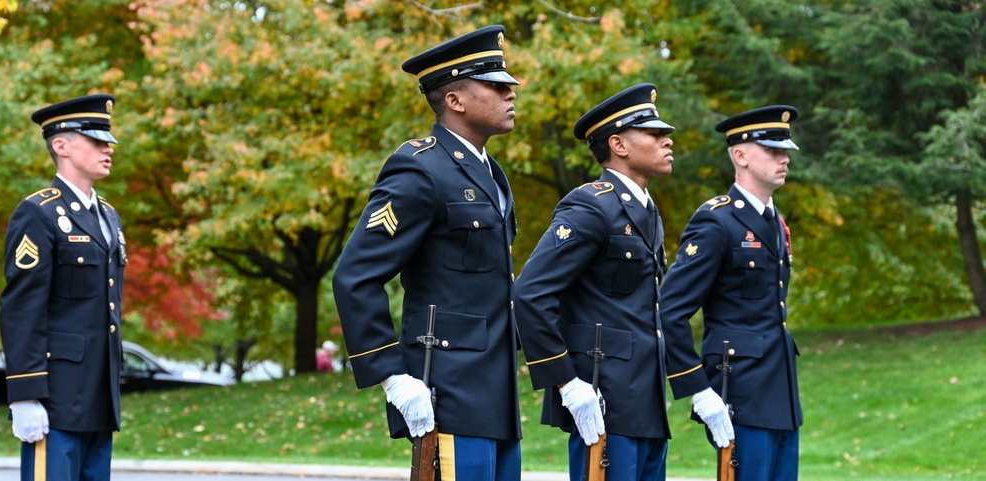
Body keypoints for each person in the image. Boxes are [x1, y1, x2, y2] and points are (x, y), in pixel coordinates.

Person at [331, 25, 522, 480]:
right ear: (454, 100)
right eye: (496, 85)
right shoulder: (421, 168)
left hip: (495, 392)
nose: (511, 92)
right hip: (447, 388)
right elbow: (355, 275)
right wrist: (392, 375)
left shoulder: (489, 173)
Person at [514, 83, 704, 481]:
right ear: (618, 144)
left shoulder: (646, 211)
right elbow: (531, 293)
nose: (667, 140)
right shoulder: (591, 205)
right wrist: (567, 383)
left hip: (645, 405)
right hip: (602, 399)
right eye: (653, 133)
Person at [659, 106, 804, 481]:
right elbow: (670, 310)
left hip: (782, 395)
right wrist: (697, 389)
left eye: (784, 150)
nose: (784, 158)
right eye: (772, 150)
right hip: (740, 394)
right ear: (740, 155)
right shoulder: (716, 220)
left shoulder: (775, 222)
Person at [0, 93, 127, 481]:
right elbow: (22, 307)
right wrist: (25, 393)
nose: (108, 148)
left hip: (98, 397)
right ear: (61, 145)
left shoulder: (108, 215)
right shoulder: (38, 212)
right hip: (55, 399)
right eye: (95, 139)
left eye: (108, 140)